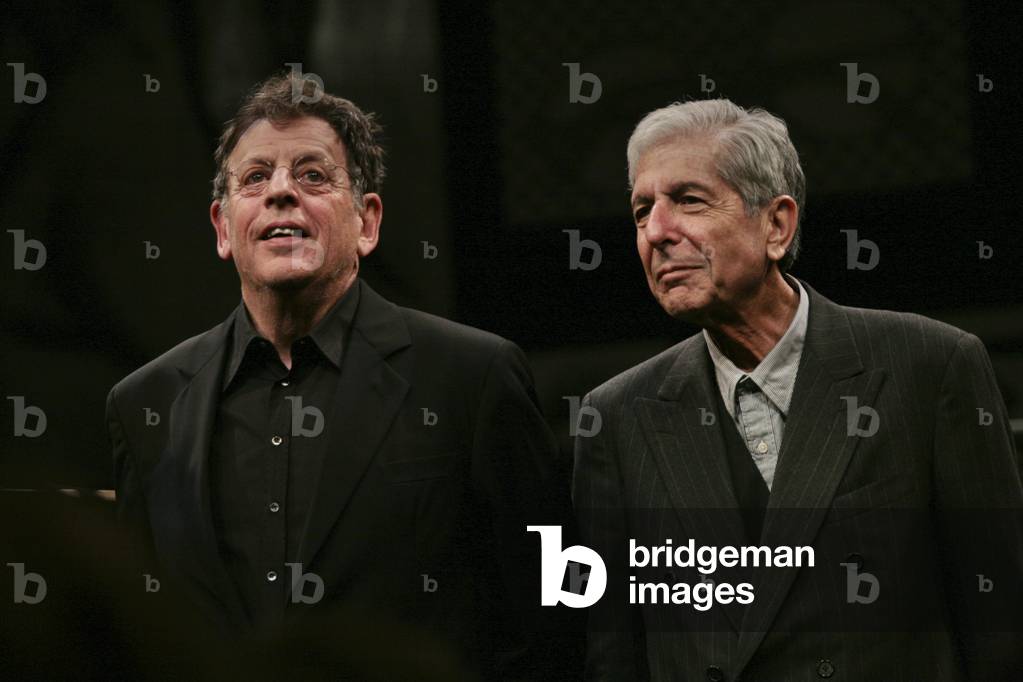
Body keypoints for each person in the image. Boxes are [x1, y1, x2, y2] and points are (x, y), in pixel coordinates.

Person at [106, 72, 575, 679]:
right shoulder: (145, 403)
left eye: (312, 175)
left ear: (367, 222)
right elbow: (137, 636)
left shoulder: (473, 376)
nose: (281, 192)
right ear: (224, 228)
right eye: (255, 178)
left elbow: (551, 607)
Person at [572, 99, 1022, 681]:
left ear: (776, 225)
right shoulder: (614, 416)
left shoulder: (929, 366)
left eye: (688, 200)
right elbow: (613, 656)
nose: (656, 232)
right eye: (641, 211)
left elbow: (1002, 624)